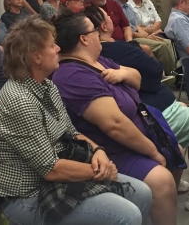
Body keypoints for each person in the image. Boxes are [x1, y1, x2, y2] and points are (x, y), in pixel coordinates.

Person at [0, 16, 152, 225]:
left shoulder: (47, 86)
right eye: (52, 45)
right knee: (127, 215)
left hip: (58, 180)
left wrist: (98, 151)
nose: (58, 48)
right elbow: (50, 169)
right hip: (30, 195)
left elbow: (71, 132)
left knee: (142, 193)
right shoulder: (19, 102)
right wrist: (100, 171)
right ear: (36, 58)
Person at [84, 5, 189, 211]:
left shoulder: (103, 57)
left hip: (149, 107)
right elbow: (156, 72)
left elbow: (136, 79)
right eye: (108, 17)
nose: (112, 19)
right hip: (148, 111)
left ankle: (174, 180)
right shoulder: (111, 54)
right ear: (101, 28)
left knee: (180, 122)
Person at [52, 12, 179, 225]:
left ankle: (158, 211)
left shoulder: (98, 61)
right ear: (84, 39)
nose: (99, 35)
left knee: (176, 151)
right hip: (111, 151)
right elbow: (115, 125)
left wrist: (124, 74)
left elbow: (137, 79)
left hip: (133, 140)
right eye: (94, 31)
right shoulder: (73, 76)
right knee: (162, 180)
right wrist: (153, 152)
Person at [116, 0, 177, 76]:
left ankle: (174, 71)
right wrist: (148, 36)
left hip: (146, 33)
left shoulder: (129, 6)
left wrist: (148, 34)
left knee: (168, 42)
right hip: (133, 36)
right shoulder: (119, 6)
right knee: (162, 45)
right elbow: (129, 29)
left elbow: (138, 24)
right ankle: (168, 74)